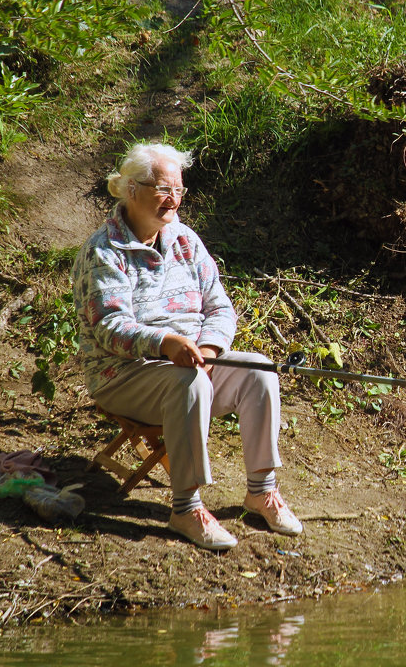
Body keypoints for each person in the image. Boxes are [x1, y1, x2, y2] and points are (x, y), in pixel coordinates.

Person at [71, 142, 301, 550]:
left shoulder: (185, 240)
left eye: (179, 190)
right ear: (131, 189)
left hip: (191, 363)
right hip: (122, 374)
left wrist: (209, 349)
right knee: (189, 383)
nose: (173, 199)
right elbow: (108, 326)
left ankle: (260, 491)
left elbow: (219, 306)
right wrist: (166, 343)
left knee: (259, 371)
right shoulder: (103, 251)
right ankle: (186, 508)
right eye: (163, 189)